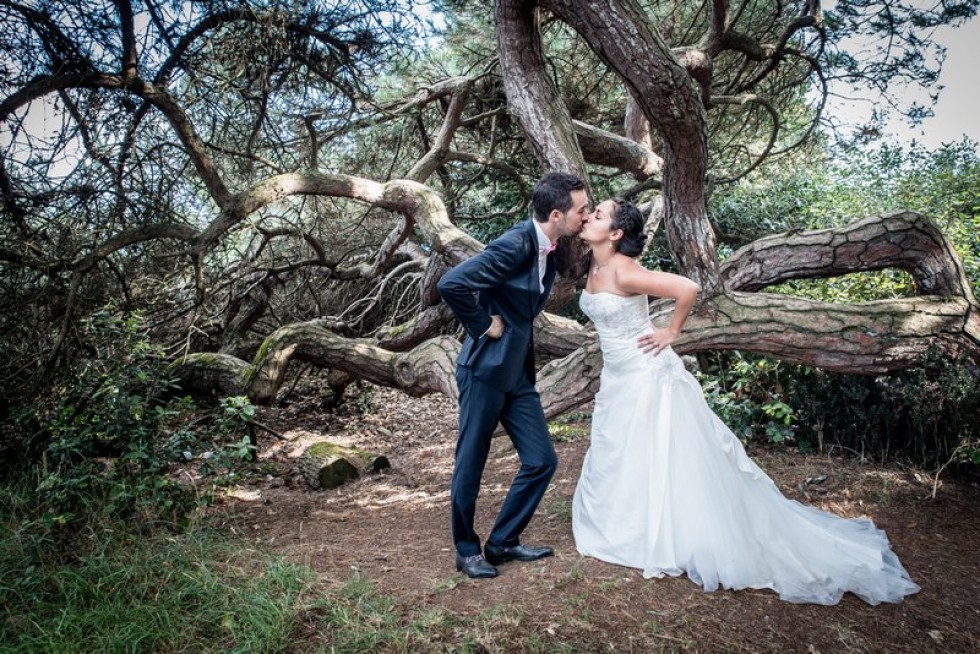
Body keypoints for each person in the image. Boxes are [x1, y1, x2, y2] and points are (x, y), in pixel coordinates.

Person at [572, 197, 920, 605]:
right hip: (619, 375)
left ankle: (663, 532)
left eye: (598, 215)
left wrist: (670, 333)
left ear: (615, 234)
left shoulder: (625, 271)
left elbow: (688, 287)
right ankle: (626, 523)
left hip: (646, 374)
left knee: (659, 452)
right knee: (627, 450)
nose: (590, 216)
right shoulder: (593, 265)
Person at [438, 172, 590, 579]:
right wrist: (482, 323)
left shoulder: (552, 248)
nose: (585, 216)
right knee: (471, 462)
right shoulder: (515, 243)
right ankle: (467, 549)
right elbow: (451, 283)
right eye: (581, 210)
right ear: (557, 214)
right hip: (485, 370)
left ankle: (503, 541)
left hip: (518, 375)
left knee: (542, 460)